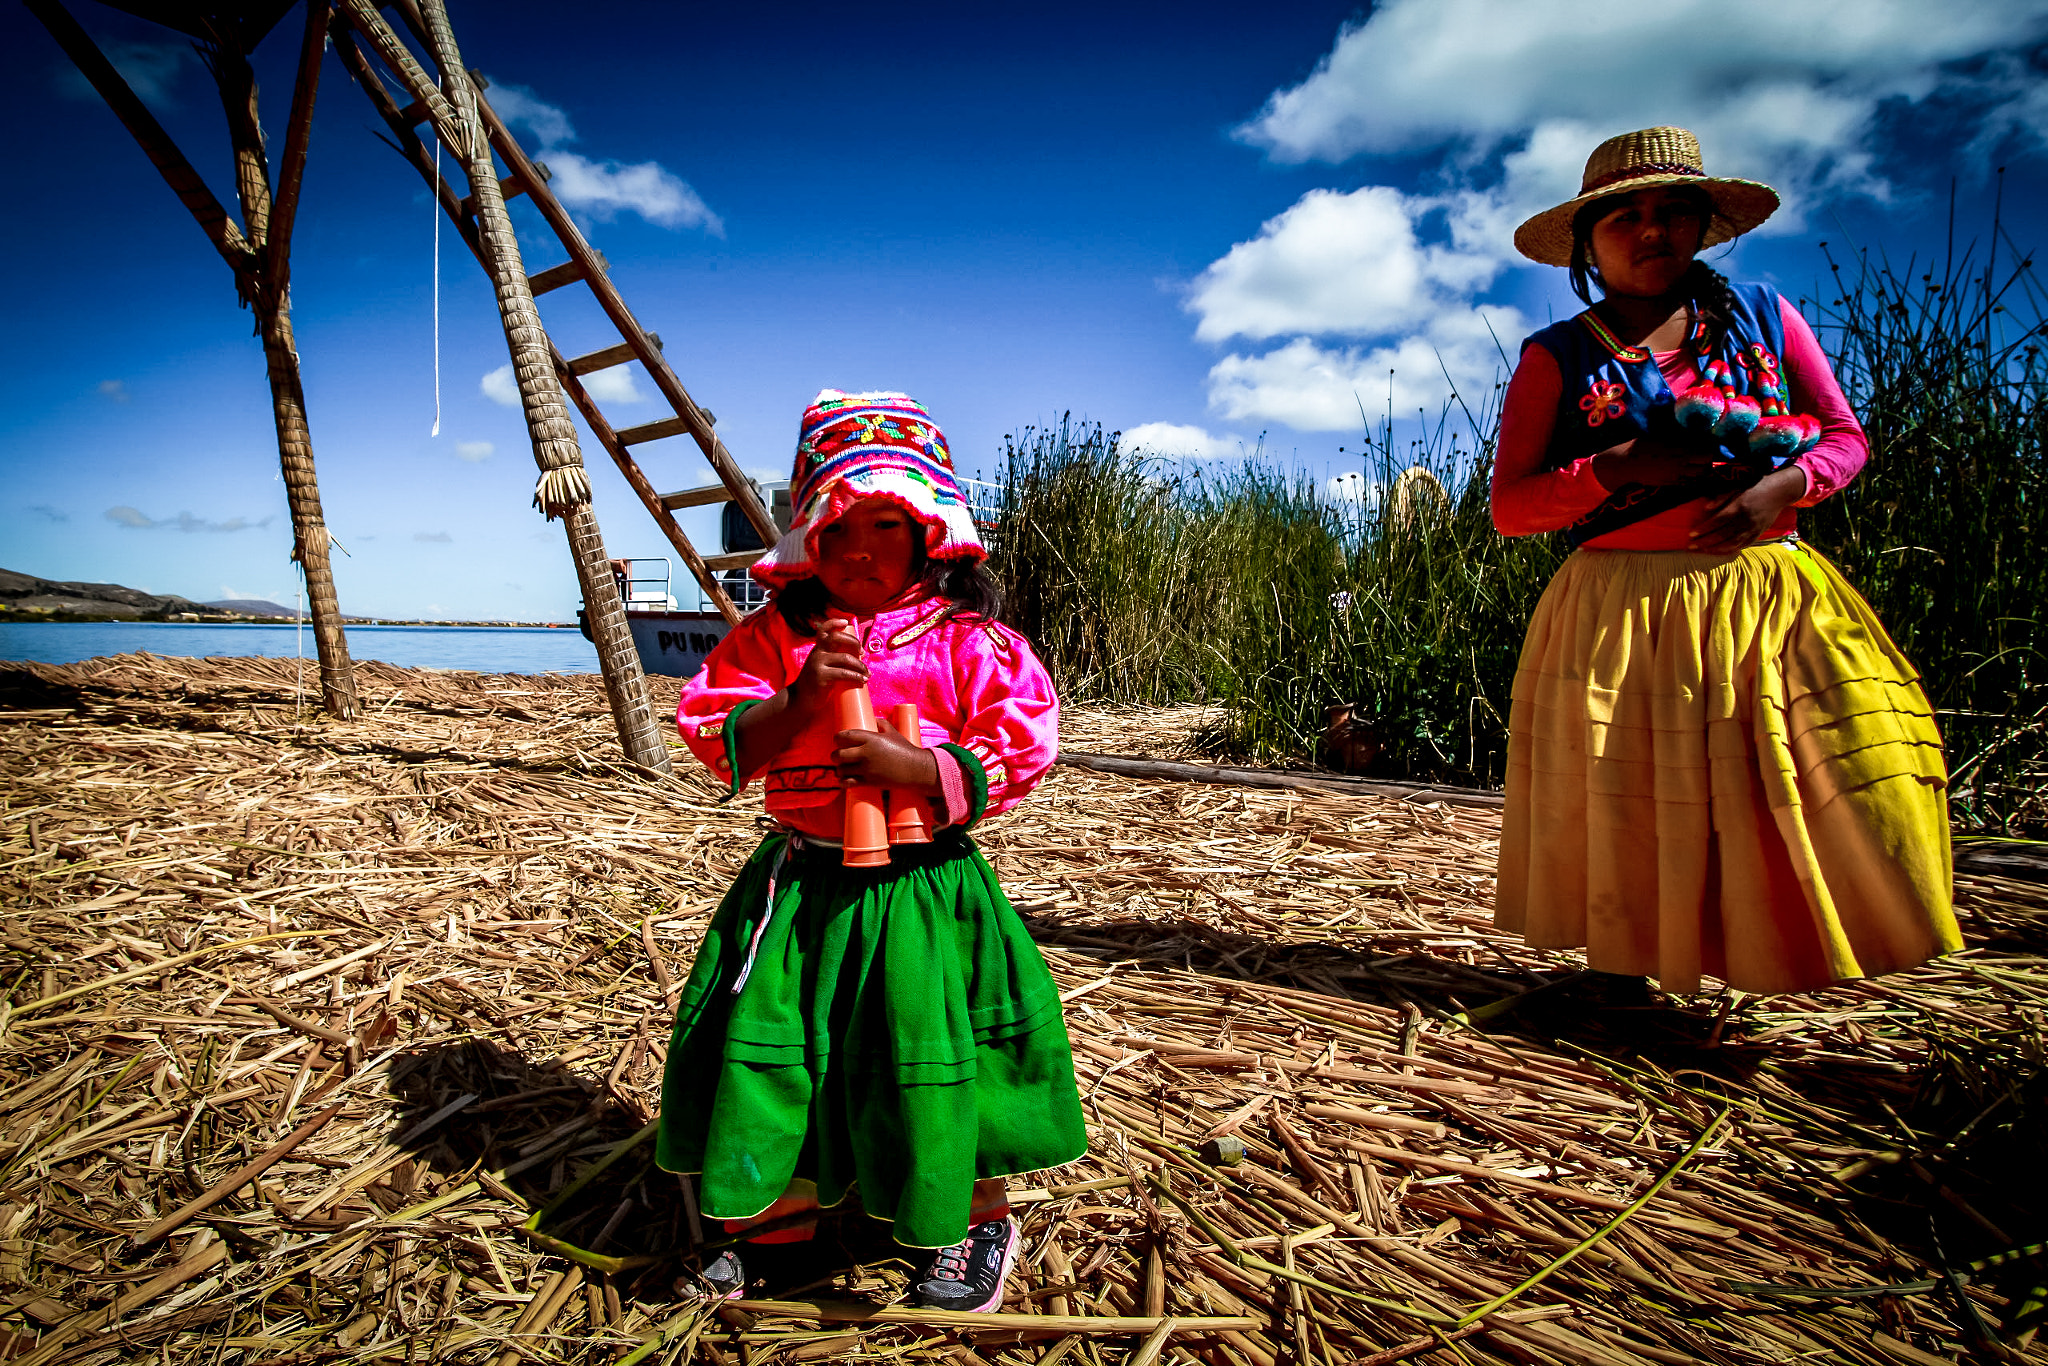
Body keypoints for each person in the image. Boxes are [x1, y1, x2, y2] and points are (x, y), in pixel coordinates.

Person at [1491, 126, 1960, 999]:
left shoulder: (1764, 317)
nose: (1652, 230)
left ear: (1705, 225)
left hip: (1765, 593)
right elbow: (1510, 507)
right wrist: (1616, 469)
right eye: (1624, 215)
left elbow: (1844, 437)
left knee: (1849, 765)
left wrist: (1786, 486)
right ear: (1587, 241)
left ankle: (1804, 944)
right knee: (1628, 800)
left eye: (1675, 211)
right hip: (1620, 608)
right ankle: (1621, 977)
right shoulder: (1556, 355)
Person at [658, 389, 1086, 1309]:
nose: (861, 548)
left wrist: (921, 765)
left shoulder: (971, 642)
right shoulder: (773, 638)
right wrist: (800, 701)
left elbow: (1024, 740)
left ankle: (968, 1215)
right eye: (841, 525)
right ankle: (770, 1213)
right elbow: (711, 730)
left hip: (923, 892)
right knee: (784, 1048)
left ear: (932, 532)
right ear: (809, 535)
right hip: (803, 887)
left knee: (928, 1046)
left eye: (888, 524)